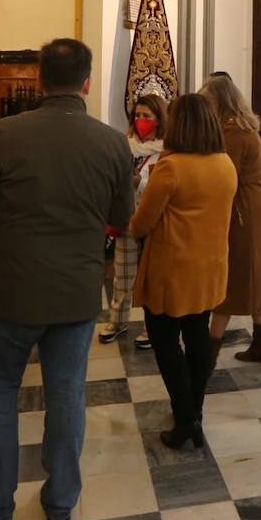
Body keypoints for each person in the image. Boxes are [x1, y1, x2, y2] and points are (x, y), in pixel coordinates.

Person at [0, 39, 133, 520]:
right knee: (67, 395)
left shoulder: (7, 133)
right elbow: (122, 217)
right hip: (75, 292)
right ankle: (59, 506)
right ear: (88, 83)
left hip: (14, 288)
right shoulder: (111, 142)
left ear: (38, 80)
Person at [131, 94, 238, 448]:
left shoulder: (171, 166)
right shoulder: (225, 163)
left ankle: (185, 417)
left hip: (171, 270)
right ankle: (197, 410)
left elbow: (143, 221)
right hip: (209, 267)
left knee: (164, 342)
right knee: (197, 336)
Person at [202, 74, 261, 365]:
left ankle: (206, 357)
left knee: (231, 279)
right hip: (256, 210)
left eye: (208, 100)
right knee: (254, 276)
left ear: (220, 102)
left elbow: (224, 177)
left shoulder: (233, 133)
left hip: (242, 213)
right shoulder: (244, 128)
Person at [100, 94, 167, 347]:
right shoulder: (124, 145)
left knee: (152, 277)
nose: (141, 120)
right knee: (123, 274)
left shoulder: (166, 149)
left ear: (159, 120)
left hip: (153, 221)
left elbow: (166, 183)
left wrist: (141, 183)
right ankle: (117, 321)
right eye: (137, 116)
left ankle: (152, 328)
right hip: (127, 219)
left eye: (146, 116)